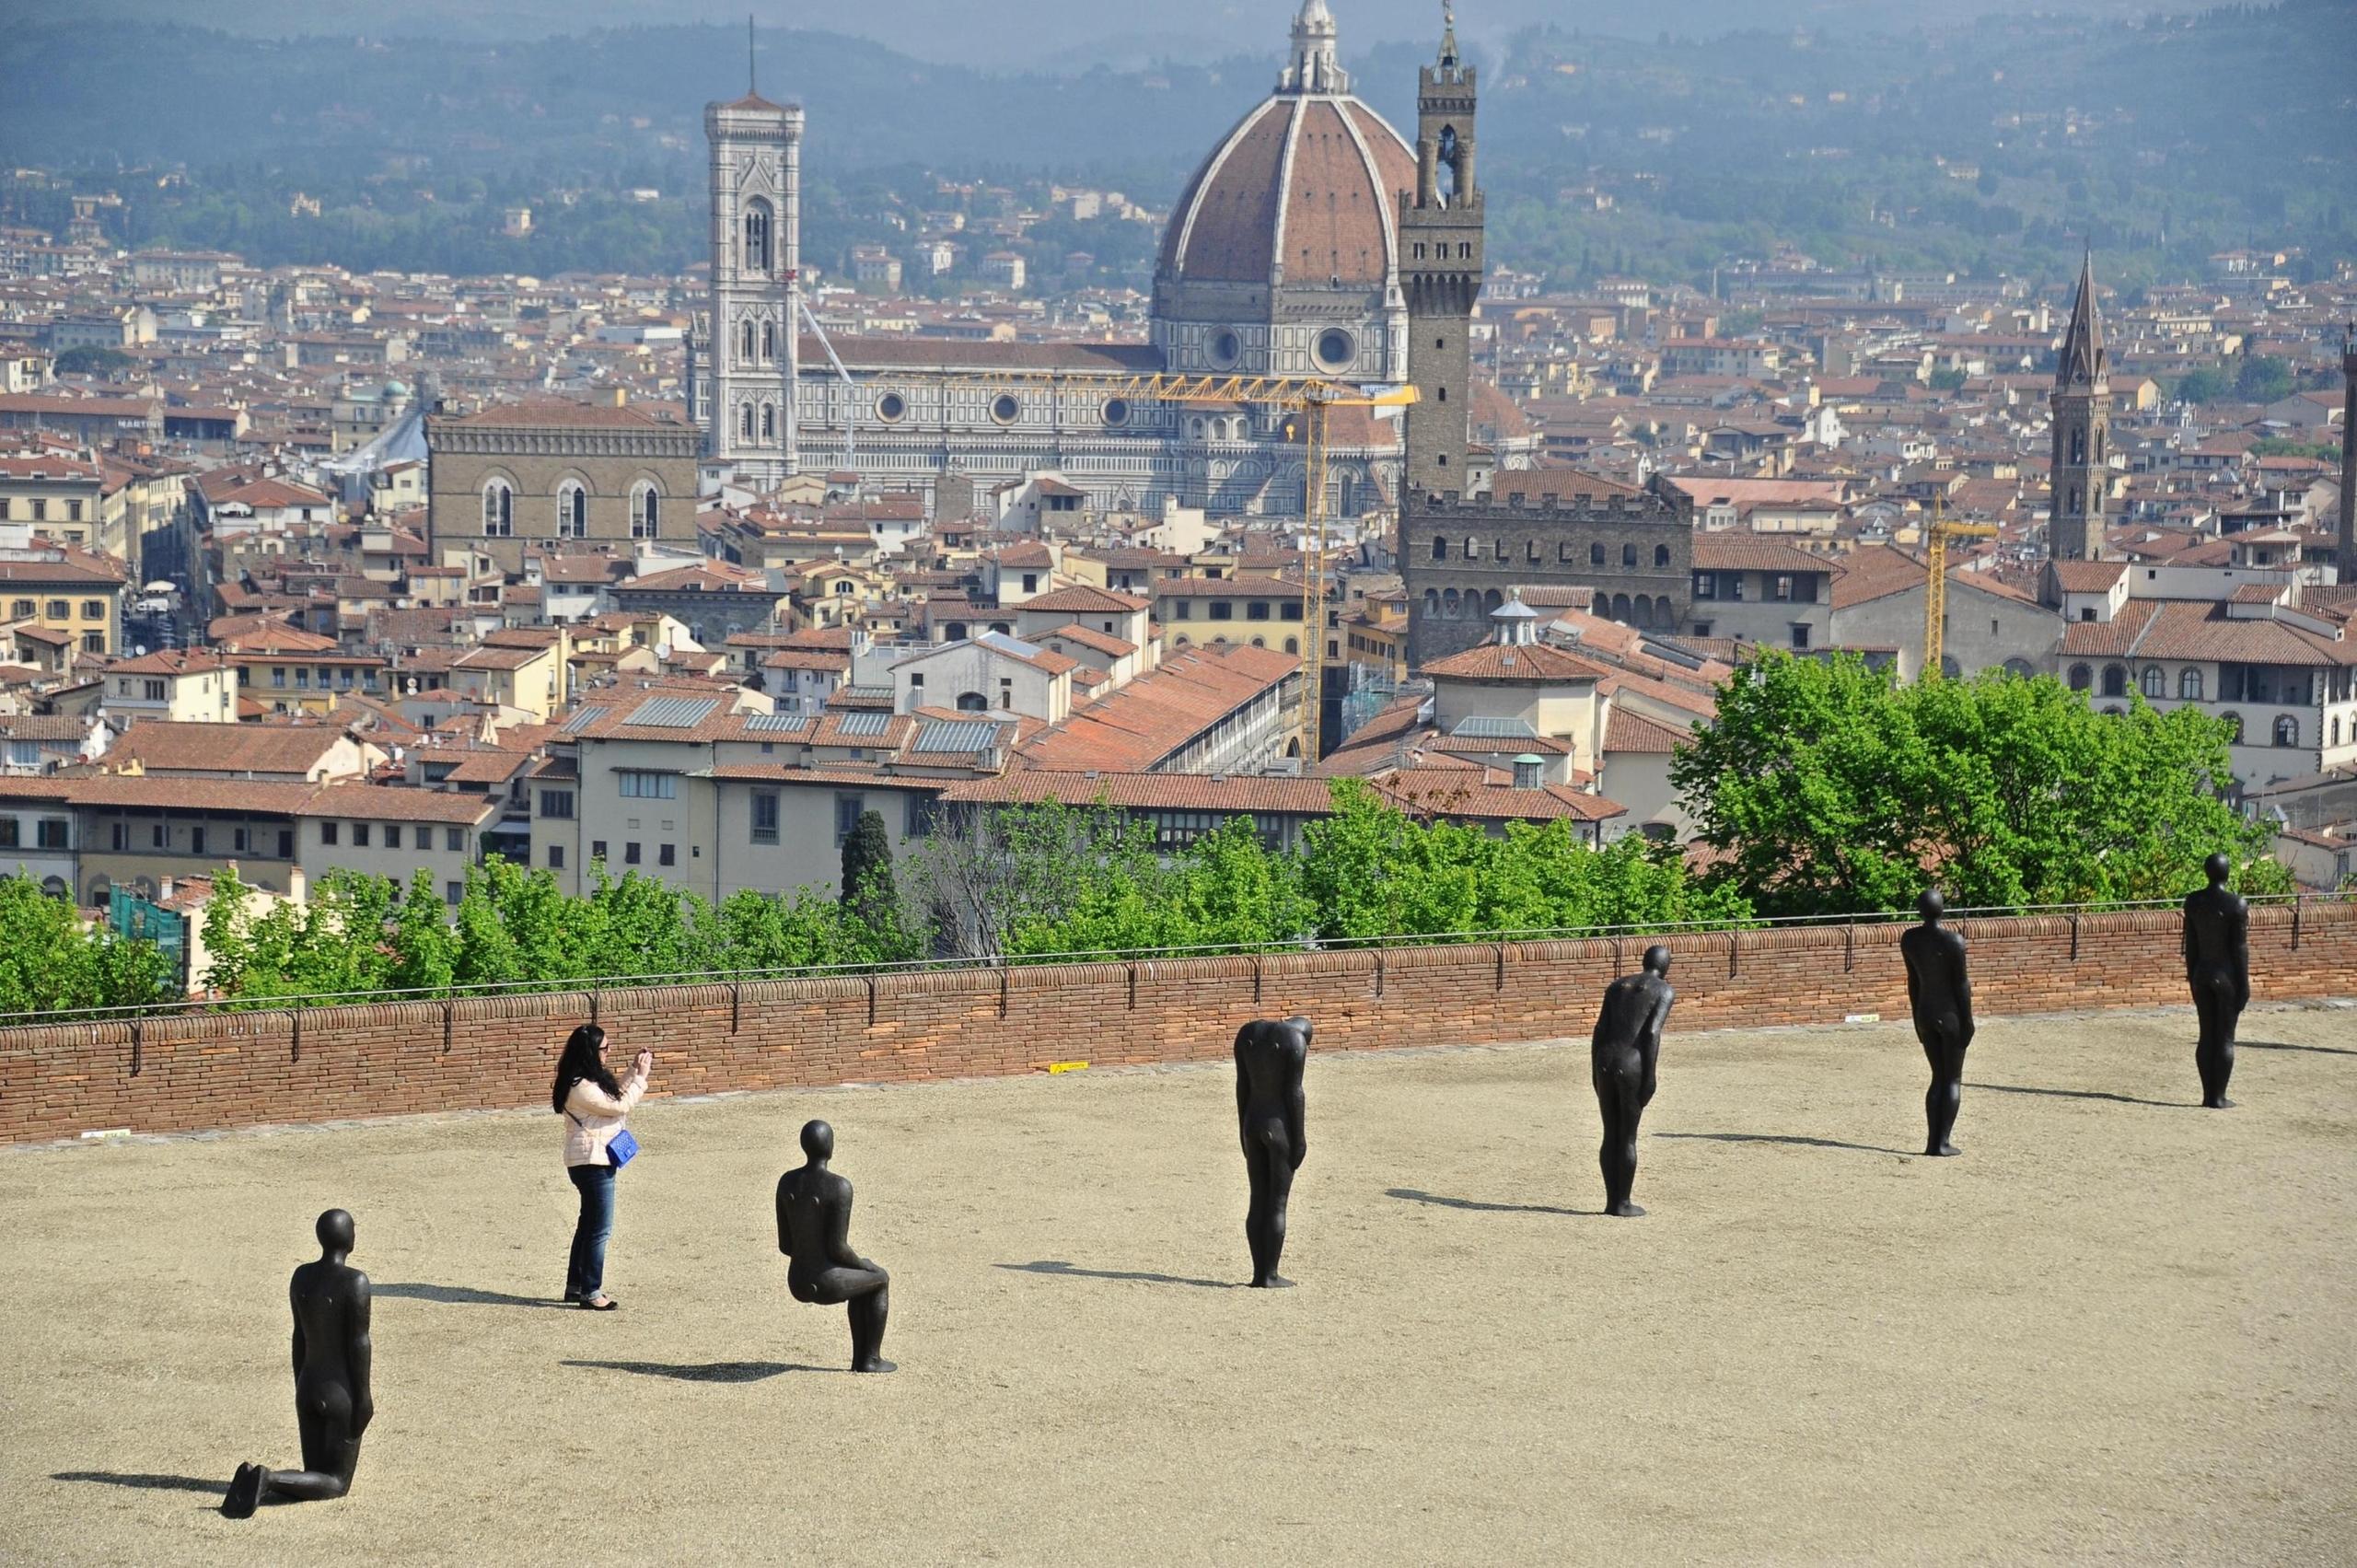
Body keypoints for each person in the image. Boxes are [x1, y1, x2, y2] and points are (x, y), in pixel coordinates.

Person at [222, 1209, 372, 1519]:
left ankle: (257, 1478)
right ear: (347, 1238)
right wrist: (363, 1397)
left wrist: (299, 1383)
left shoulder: (301, 1277)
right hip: (339, 1393)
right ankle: (268, 1478)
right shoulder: (355, 1281)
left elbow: (298, 1337)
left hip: (308, 1383)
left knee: (313, 1472)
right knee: (335, 1482)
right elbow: (359, 1343)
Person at [776, 1120, 894, 1373]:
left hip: (797, 1280)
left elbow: (786, 1245)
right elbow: (837, 1248)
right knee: (879, 1278)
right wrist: (865, 1265)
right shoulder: (839, 1186)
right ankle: (870, 1359)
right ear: (830, 1146)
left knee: (863, 1283)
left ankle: (861, 1360)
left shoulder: (787, 1182)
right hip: (827, 1283)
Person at [553, 1023, 651, 1309]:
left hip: (591, 1159)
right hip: (592, 1162)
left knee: (588, 1226)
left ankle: (576, 1285)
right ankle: (591, 1292)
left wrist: (633, 1070)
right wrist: (642, 1079)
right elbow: (620, 1106)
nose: (607, 1054)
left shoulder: (583, 1080)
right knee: (600, 1229)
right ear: (590, 1052)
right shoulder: (580, 1086)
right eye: (604, 1049)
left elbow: (613, 1097)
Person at [1590, 947, 1675, 1217]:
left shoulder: (1616, 987)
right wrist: (1650, 1077)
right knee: (1627, 1137)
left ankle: (1611, 1200)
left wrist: (1595, 1069)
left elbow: (1600, 1030)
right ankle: (1623, 1203)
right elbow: (1651, 1033)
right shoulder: (1663, 990)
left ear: (1644, 962)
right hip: (1632, 1064)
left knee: (1610, 1133)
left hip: (1606, 1060)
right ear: (1665, 967)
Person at [1233, 1016, 1310, 1287]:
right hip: (1279, 1129)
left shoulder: (1248, 1034)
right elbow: (1295, 1094)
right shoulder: (1294, 1041)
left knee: (1257, 1200)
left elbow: (1242, 1088)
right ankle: (1270, 1274)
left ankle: (1258, 1273)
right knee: (1276, 1204)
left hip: (1253, 1123)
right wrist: (1299, 1140)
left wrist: (1243, 1130)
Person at [1900, 889, 1974, 1156]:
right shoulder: (1953, 941)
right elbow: (1961, 984)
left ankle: (1933, 1142)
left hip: (1925, 1012)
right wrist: (1967, 1020)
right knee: (1952, 1079)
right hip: (1951, 1014)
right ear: (1942, 909)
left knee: (1937, 1078)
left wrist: (1915, 1017)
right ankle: (1942, 1142)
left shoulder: (1910, 939)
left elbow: (1914, 981)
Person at [2183, 852, 2250, 1109]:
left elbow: (2191, 946)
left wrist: (2193, 976)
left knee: (2206, 1036)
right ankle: (2218, 1097)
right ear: (2227, 873)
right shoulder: (2236, 904)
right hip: (2226, 976)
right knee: (2224, 1038)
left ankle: (2207, 1094)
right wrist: (2244, 985)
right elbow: (2240, 949)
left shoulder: (2194, 902)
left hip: (2202, 972)